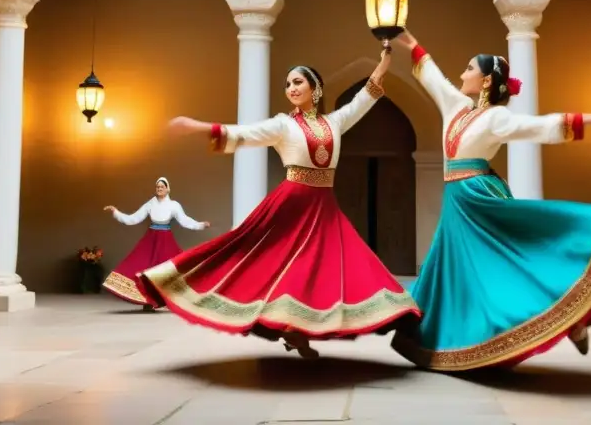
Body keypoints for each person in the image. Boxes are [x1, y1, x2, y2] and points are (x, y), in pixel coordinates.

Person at [388, 32, 591, 372]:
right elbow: (432, 76)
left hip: (478, 197)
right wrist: (408, 40)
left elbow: (534, 127)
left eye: (469, 69)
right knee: (464, 271)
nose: (461, 75)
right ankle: (463, 341)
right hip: (456, 201)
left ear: (486, 80)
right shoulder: (455, 107)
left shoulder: (496, 118)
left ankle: (567, 317)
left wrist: (584, 120)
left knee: (511, 260)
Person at [139, 50, 420, 358]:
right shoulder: (283, 125)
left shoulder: (335, 122)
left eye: (298, 82)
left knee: (329, 266)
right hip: (291, 205)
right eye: (288, 85)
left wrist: (383, 62)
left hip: (324, 207)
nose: (292, 89)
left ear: (316, 88)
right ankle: (175, 281)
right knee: (262, 256)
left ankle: (304, 329)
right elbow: (245, 134)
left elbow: (363, 99)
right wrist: (198, 127)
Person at [103, 177, 210, 310]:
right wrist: (116, 212)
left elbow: (185, 220)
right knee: (144, 267)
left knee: (170, 270)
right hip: (151, 239)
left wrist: (200, 225)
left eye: (162, 187)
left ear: (167, 189)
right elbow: (133, 218)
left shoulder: (173, 205)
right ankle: (148, 301)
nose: (159, 189)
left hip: (165, 240)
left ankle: (179, 301)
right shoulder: (150, 204)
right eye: (157, 187)